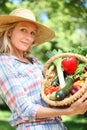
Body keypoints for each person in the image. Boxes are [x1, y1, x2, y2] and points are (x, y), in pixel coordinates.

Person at [0, 8, 87, 130]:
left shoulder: (35, 62)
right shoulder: (4, 63)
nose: (28, 37)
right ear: (10, 32)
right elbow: (24, 110)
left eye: (32, 33)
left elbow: (52, 93)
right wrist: (70, 111)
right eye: (23, 30)